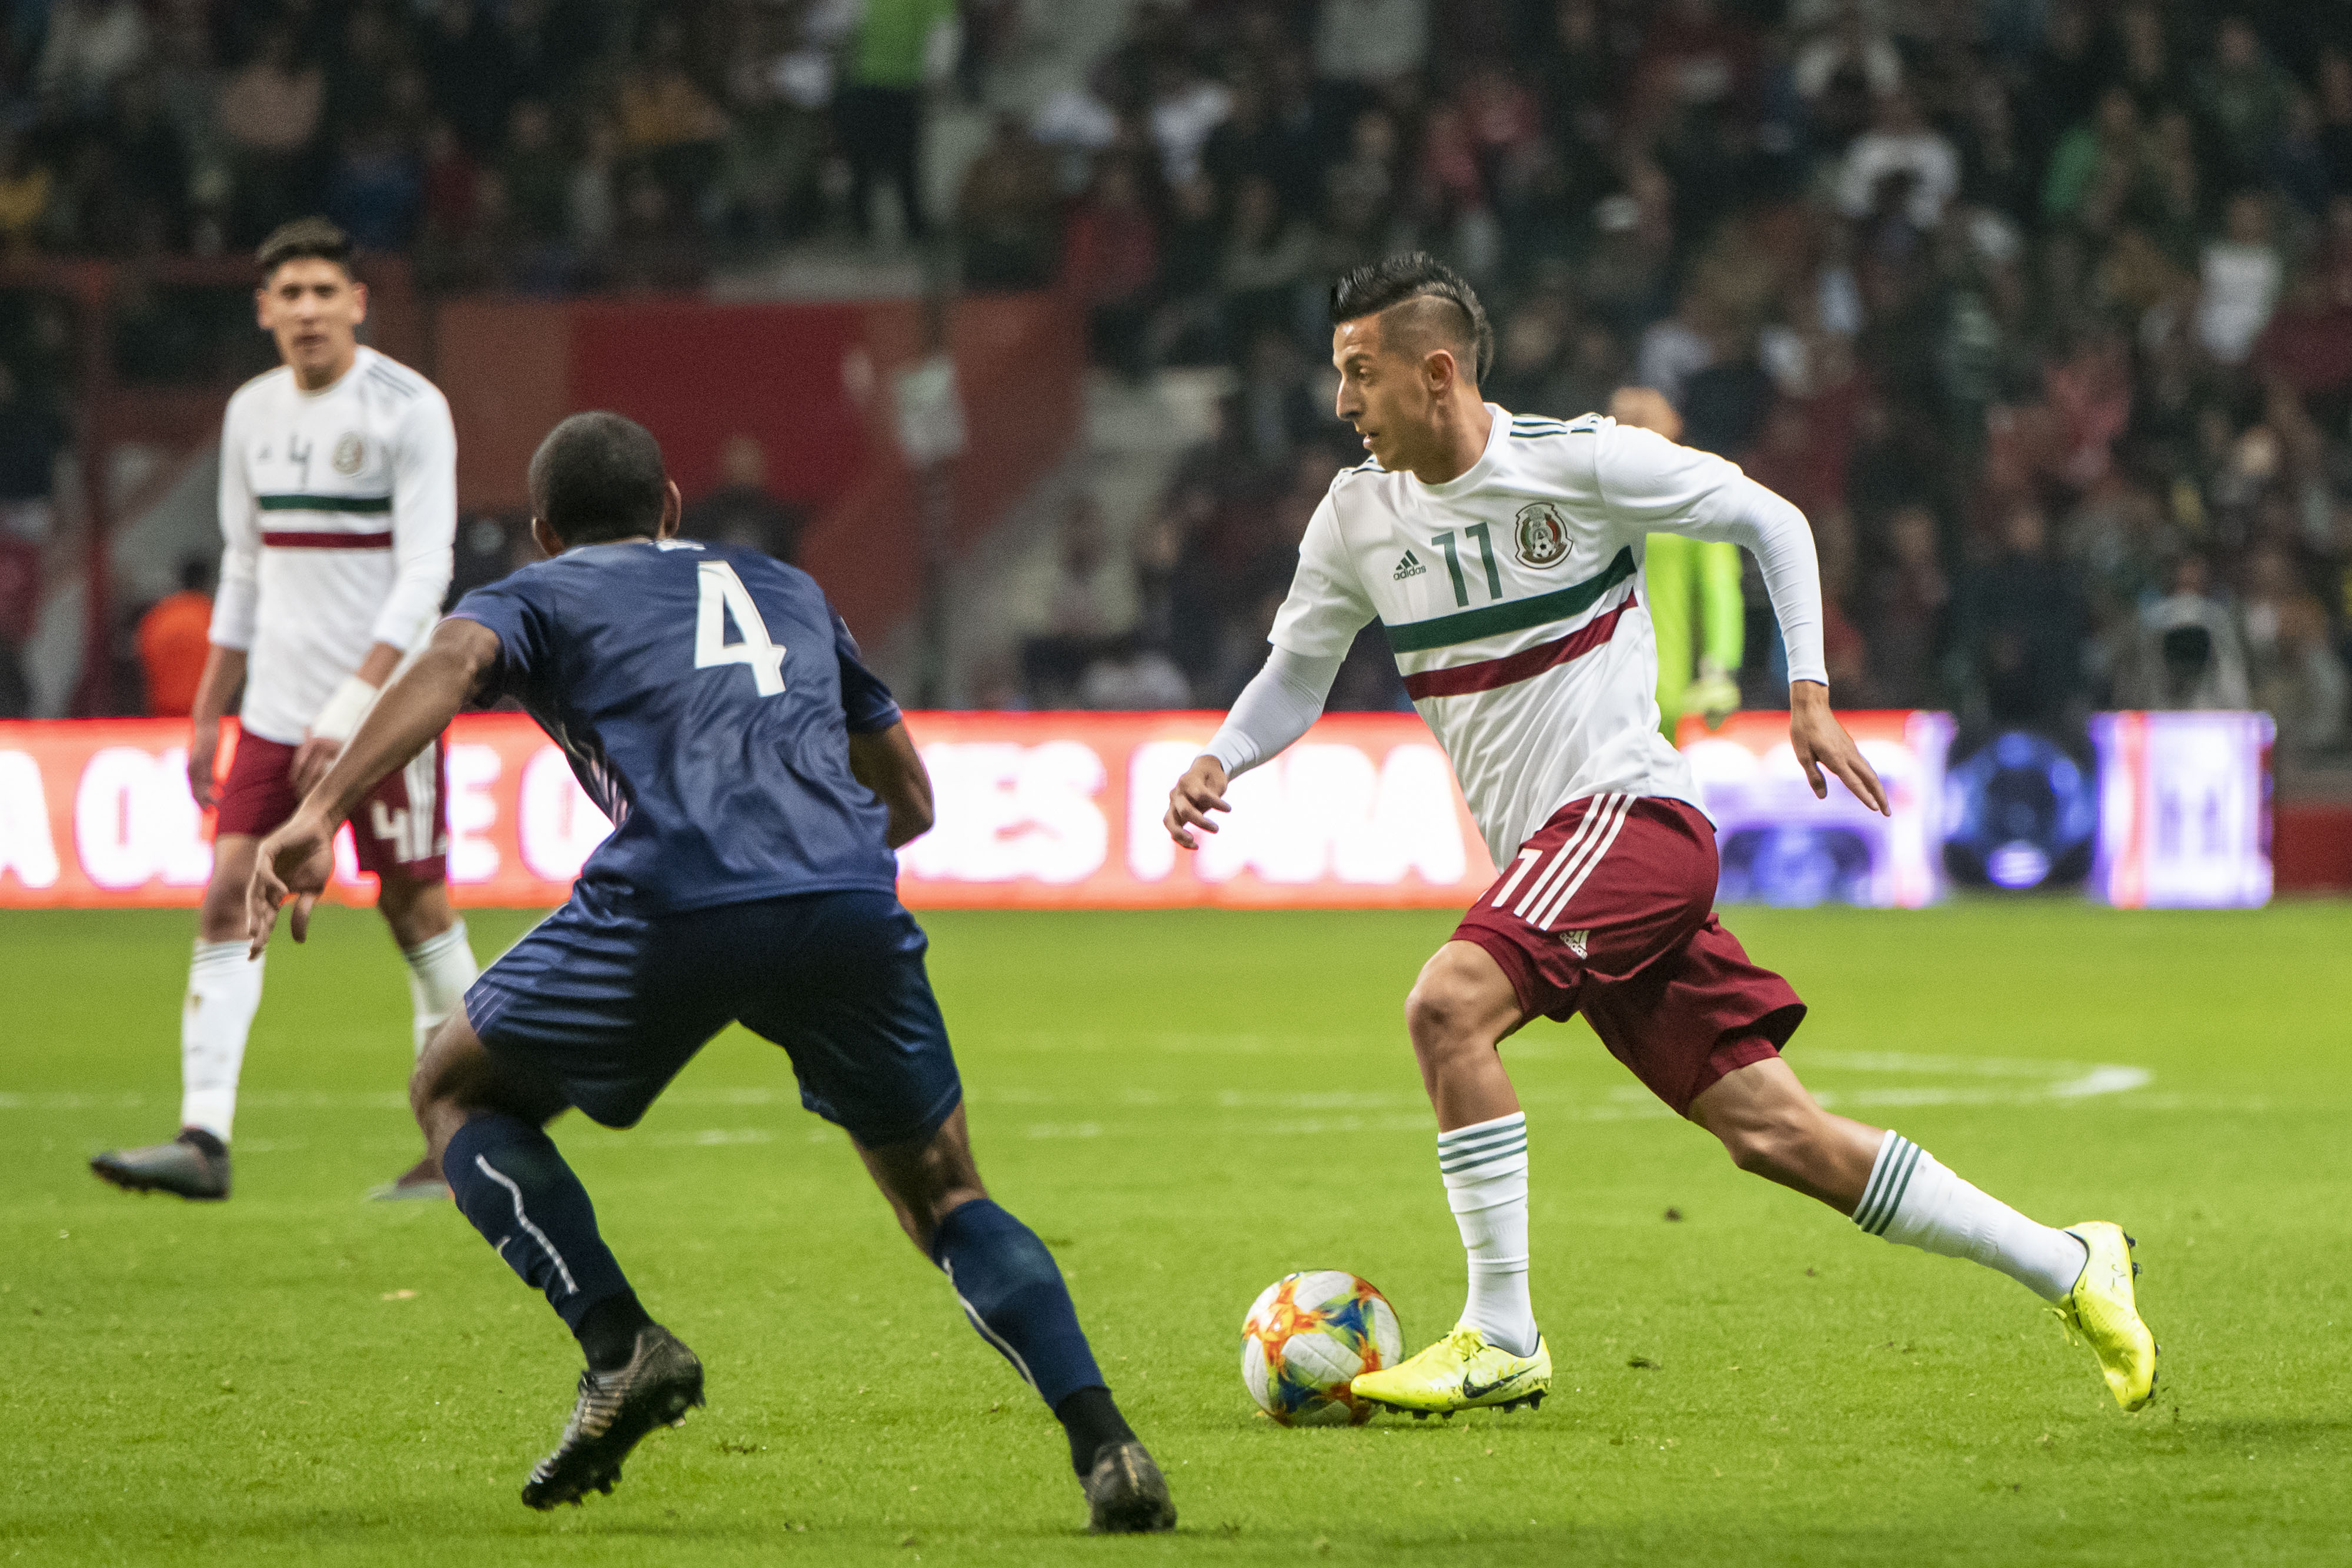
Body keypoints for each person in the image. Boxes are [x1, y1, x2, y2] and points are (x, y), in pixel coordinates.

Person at [1164, 254, 2156, 1420]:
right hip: (1565, 861)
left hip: (1628, 818)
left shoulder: (1574, 464)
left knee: (1446, 1004)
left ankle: (1499, 1331)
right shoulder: (1356, 518)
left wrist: (1805, 689)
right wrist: (1221, 755)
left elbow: (1768, 518)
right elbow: (1295, 673)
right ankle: (2068, 1259)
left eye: (1357, 375)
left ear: (1433, 373)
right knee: (1774, 1133)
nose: (1341, 403)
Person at [243, 413, 1177, 1532]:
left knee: (452, 1090)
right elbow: (913, 804)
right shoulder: (784, 585)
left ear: (544, 532)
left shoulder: (536, 594)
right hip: (842, 891)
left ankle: (618, 1342)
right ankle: (1108, 1445)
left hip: (673, 891)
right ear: (674, 506)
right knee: (946, 1190)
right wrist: (803, 869)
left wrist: (317, 814)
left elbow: (451, 661)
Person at [90, 218, 478, 1204]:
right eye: (289, 295)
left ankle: (470, 1133)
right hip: (272, 710)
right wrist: (207, 709)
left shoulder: (409, 408)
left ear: (358, 302)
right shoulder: (253, 412)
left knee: (413, 905)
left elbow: (428, 571)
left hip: (385, 709)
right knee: (228, 890)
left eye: (323, 291)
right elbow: (248, 568)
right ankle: (204, 1138)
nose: (307, 310)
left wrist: (357, 699)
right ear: (263, 310)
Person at [137, 559, 215, 717]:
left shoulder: (159, 616)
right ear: (205, 582)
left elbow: (144, 662)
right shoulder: (212, 617)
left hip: (162, 711)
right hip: (204, 713)